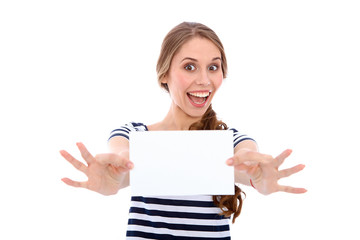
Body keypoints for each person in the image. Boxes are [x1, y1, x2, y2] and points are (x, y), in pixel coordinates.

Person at [60, 22, 306, 239]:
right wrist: (116, 177)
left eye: (213, 67)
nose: (204, 80)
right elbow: (121, 155)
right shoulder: (133, 134)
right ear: (164, 74)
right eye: (189, 67)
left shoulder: (230, 140)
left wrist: (256, 178)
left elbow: (246, 157)